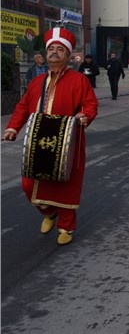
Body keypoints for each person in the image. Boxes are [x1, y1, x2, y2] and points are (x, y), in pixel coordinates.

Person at [2, 27, 98, 245]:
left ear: (68, 55)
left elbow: (91, 104)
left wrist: (85, 115)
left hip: (67, 141)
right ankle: (48, 212)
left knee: (65, 185)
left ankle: (66, 226)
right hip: (38, 141)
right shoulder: (36, 82)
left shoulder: (79, 80)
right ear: (46, 54)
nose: (54, 52)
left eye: (60, 49)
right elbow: (23, 107)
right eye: (51, 49)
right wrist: (12, 128)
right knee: (28, 185)